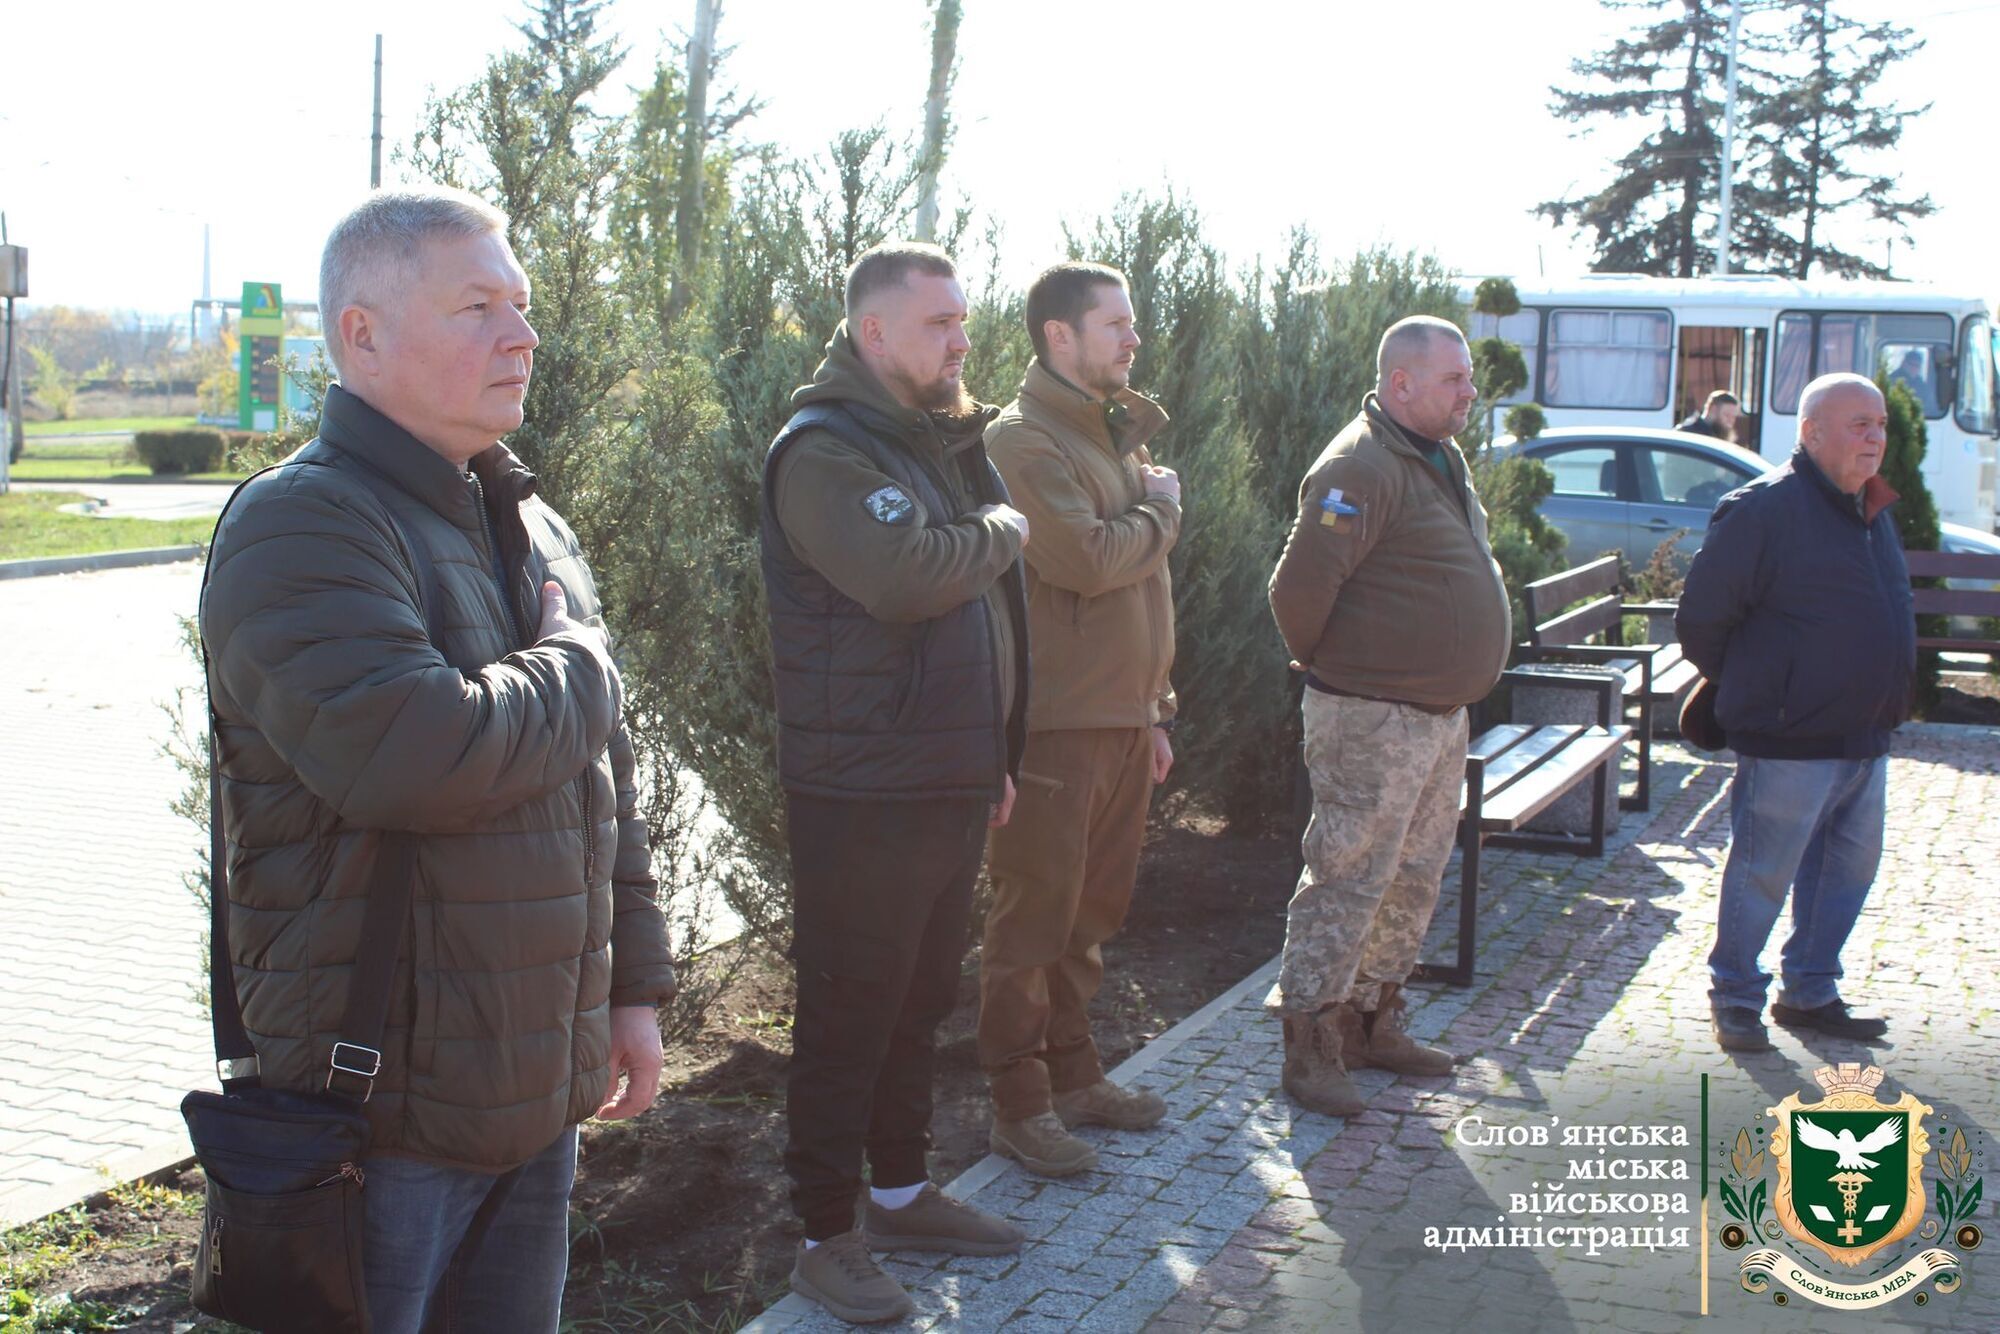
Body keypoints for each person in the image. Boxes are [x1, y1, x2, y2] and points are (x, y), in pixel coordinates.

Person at [200, 188, 676, 1331]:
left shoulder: (526, 518)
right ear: (360, 334)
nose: (520, 335)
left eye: (520, 307)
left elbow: (595, 779)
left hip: (538, 1095)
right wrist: (582, 662)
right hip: (384, 1116)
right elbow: (419, 755)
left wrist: (634, 987)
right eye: (477, 306)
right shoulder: (301, 522)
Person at [760, 241, 1032, 1323]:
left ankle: (901, 1192)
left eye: (963, 320)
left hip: (944, 777)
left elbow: (986, 622)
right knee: (848, 1014)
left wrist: (994, 760)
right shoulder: (824, 449)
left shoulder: (927, 442)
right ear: (874, 334)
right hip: (860, 792)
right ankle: (825, 1236)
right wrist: (1004, 526)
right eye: (938, 324)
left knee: (917, 1002)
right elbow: (911, 575)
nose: (961, 339)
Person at [1266, 316, 1512, 1116]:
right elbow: (1296, 594)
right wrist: (1342, 674)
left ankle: (1375, 1022)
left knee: (1411, 878)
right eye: (1455, 379)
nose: (1470, 390)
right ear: (1401, 383)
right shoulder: (1360, 467)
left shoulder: (1435, 454)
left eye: (1468, 376)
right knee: (1347, 879)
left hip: (1437, 720)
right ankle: (1310, 1047)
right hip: (1372, 720)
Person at [978, 263, 1180, 1178]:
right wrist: (1162, 510)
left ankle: (1075, 1077)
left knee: (1090, 919)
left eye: (1130, 325)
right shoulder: (1022, 441)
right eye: (1116, 325)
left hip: (1123, 722)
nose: (1132, 339)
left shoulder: (1110, 437)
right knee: (1033, 925)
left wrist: (1155, 710)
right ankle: (1018, 1107)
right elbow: (1090, 559)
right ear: (1059, 337)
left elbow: (1144, 591)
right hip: (1057, 728)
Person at [1677, 372, 1913, 1053]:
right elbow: (1702, 622)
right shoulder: (1762, 510)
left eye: (1879, 425)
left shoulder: (1872, 506)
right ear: (1811, 434)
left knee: (1845, 874)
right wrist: (1761, 688)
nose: (1874, 437)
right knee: (1762, 873)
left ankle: (1810, 992)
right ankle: (1736, 998)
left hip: (1864, 737)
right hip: (1788, 740)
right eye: (1858, 424)